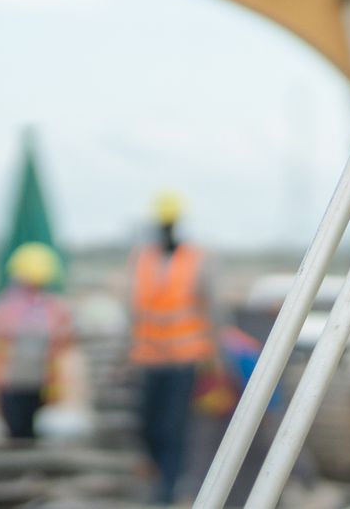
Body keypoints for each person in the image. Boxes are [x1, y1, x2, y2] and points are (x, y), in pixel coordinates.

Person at [128, 190, 217, 503]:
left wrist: (214, 357)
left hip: (184, 358)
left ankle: (167, 490)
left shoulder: (195, 260)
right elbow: (135, 309)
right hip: (150, 358)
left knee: (173, 428)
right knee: (148, 426)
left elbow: (210, 308)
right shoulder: (143, 259)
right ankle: (159, 479)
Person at [0, 242, 75, 441]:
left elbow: (64, 342)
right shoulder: (7, 308)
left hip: (37, 383)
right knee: (17, 433)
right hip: (12, 383)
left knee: (27, 433)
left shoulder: (51, 308)